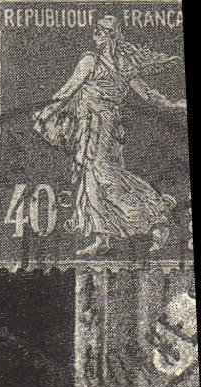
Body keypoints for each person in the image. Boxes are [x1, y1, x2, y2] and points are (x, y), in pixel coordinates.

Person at [32, 13, 186, 257]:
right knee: (90, 178)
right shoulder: (90, 61)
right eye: (100, 31)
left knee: (105, 175)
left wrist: (172, 105)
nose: (103, 36)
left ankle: (156, 218)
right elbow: (70, 89)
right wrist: (48, 110)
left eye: (108, 32)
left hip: (104, 127)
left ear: (115, 36)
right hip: (88, 126)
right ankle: (102, 237)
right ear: (95, 34)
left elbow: (146, 92)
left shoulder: (121, 65)